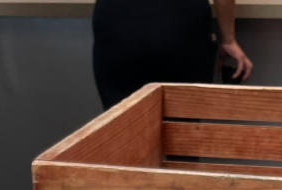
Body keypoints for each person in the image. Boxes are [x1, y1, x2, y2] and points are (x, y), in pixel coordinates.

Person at [92, 0, 252, 113]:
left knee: (119, 132)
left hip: (117, 27)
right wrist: (228, 39)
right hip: (180, 26)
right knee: (182, 133)